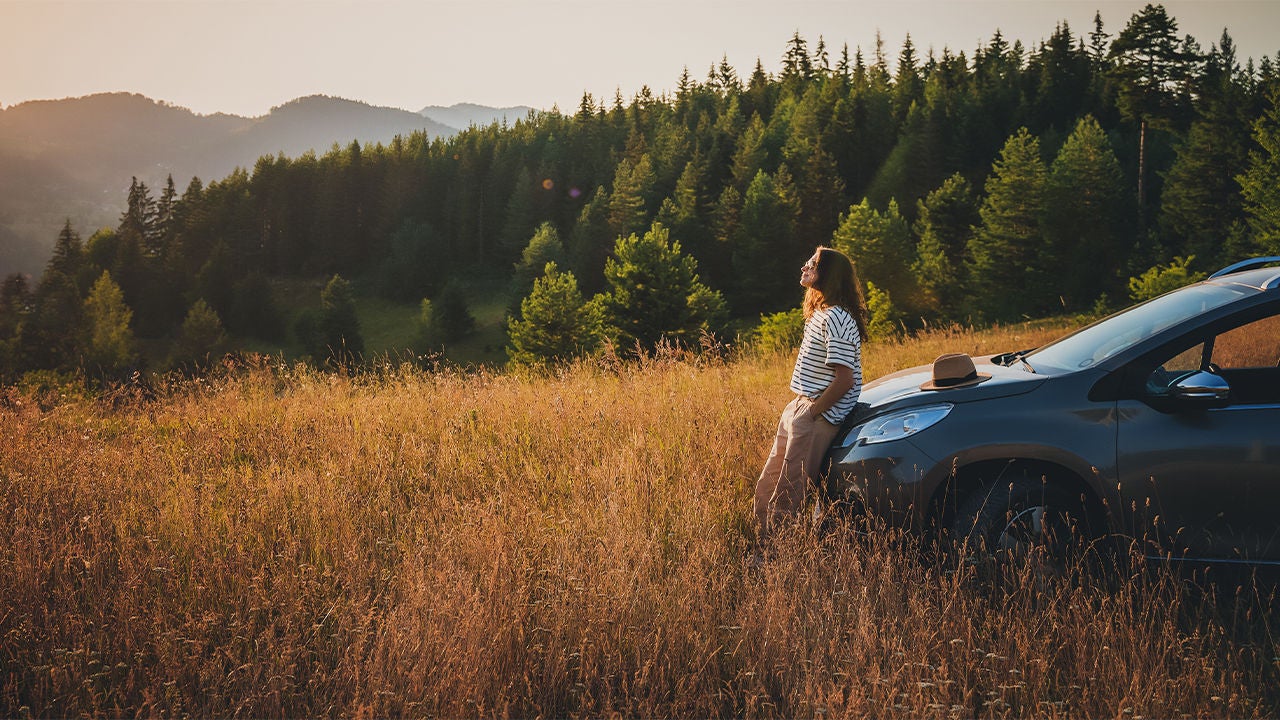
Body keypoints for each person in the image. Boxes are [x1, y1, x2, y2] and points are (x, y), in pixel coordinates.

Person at [753, 246, 868, 547]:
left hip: (817, 415)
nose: (805, 266)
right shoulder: (821, 314)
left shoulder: (839, 319)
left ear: (827, 275)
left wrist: (813, 412)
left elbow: (845, 379)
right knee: (768, 483)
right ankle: (761, 546)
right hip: (800, 406)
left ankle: (776, 559)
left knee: (788, 493)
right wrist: (802, 409)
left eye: (813, 264)